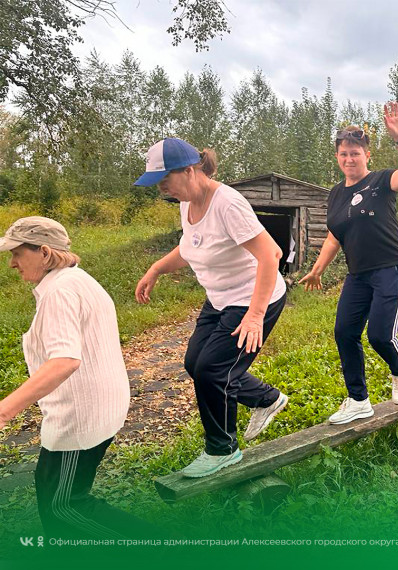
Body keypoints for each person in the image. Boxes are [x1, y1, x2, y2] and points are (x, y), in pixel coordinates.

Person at [134, 138, 288, 478]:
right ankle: (266, 398)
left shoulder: (227, 204)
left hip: (253, 297)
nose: (162, 190)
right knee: (195, 363)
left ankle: (222, 449)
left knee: (212, 370)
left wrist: (255, 315)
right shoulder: (186, 200)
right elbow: (189, 247)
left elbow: (271, 255)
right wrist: (156, 268)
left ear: (189, 171)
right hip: (220, 298)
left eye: (164, 182)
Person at [0, 216, 150, 539]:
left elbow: (65, 360)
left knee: (63, 505)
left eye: (16, 253)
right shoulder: (77, 279)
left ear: (43, 252)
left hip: (79, 418)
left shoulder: (59, 292)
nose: (11, 263)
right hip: (100, 406)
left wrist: (5, 409)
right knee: (49, 483)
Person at [299, 102, 398, 424]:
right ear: (337, 157)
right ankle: (358, 400)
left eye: (355, 152)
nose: (349, 159)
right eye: (343, 153)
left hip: (393, 266)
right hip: (358, 275)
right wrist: (317, 270)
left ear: (367, 155)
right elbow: (334, 237)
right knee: (344, 332)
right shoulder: (335, 194)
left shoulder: (382, 181)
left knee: (381, 336)